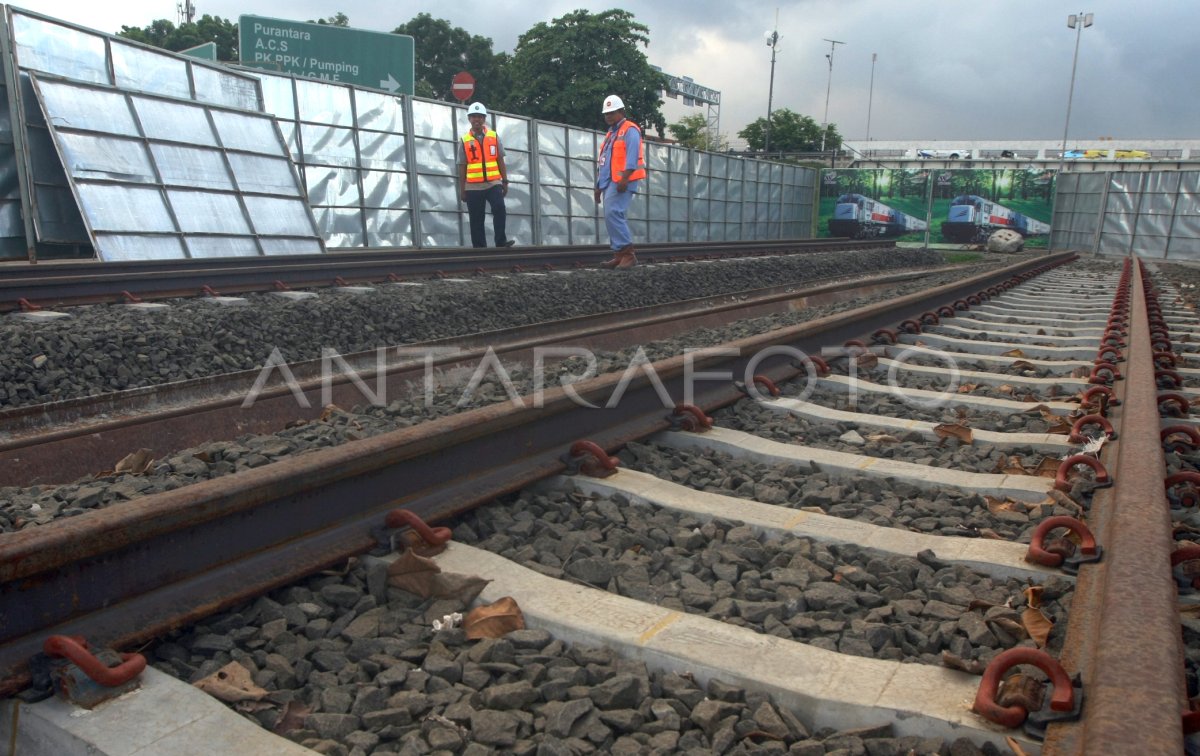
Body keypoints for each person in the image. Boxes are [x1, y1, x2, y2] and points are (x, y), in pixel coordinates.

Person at [594, 94, 645, 269]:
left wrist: (625, 178)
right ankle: (619, 254)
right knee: (611, 216)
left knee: (614, 213)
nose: (608, 116)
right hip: (610, 182)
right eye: (606, 113)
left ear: (622, 111)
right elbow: (604, 161)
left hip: (623, 181)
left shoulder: (630, 129)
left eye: (612, 112)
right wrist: (598, 186)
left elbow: (631, 156)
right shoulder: (611, 133)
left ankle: (628, 254)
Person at [458, 102, 515, 249]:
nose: (476, 119)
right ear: (469, 119)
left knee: (499, 208)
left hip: (493, 183)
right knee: (476, 218)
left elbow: (500, 159)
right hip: (472, 186)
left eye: (479, 116)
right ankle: (479, 248)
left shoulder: (493, 137)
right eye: (473, 117)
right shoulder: (464, 140)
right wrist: (462, 189)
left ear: (484, 119)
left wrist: (505, 181)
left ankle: (501, 241)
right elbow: (462, 166)